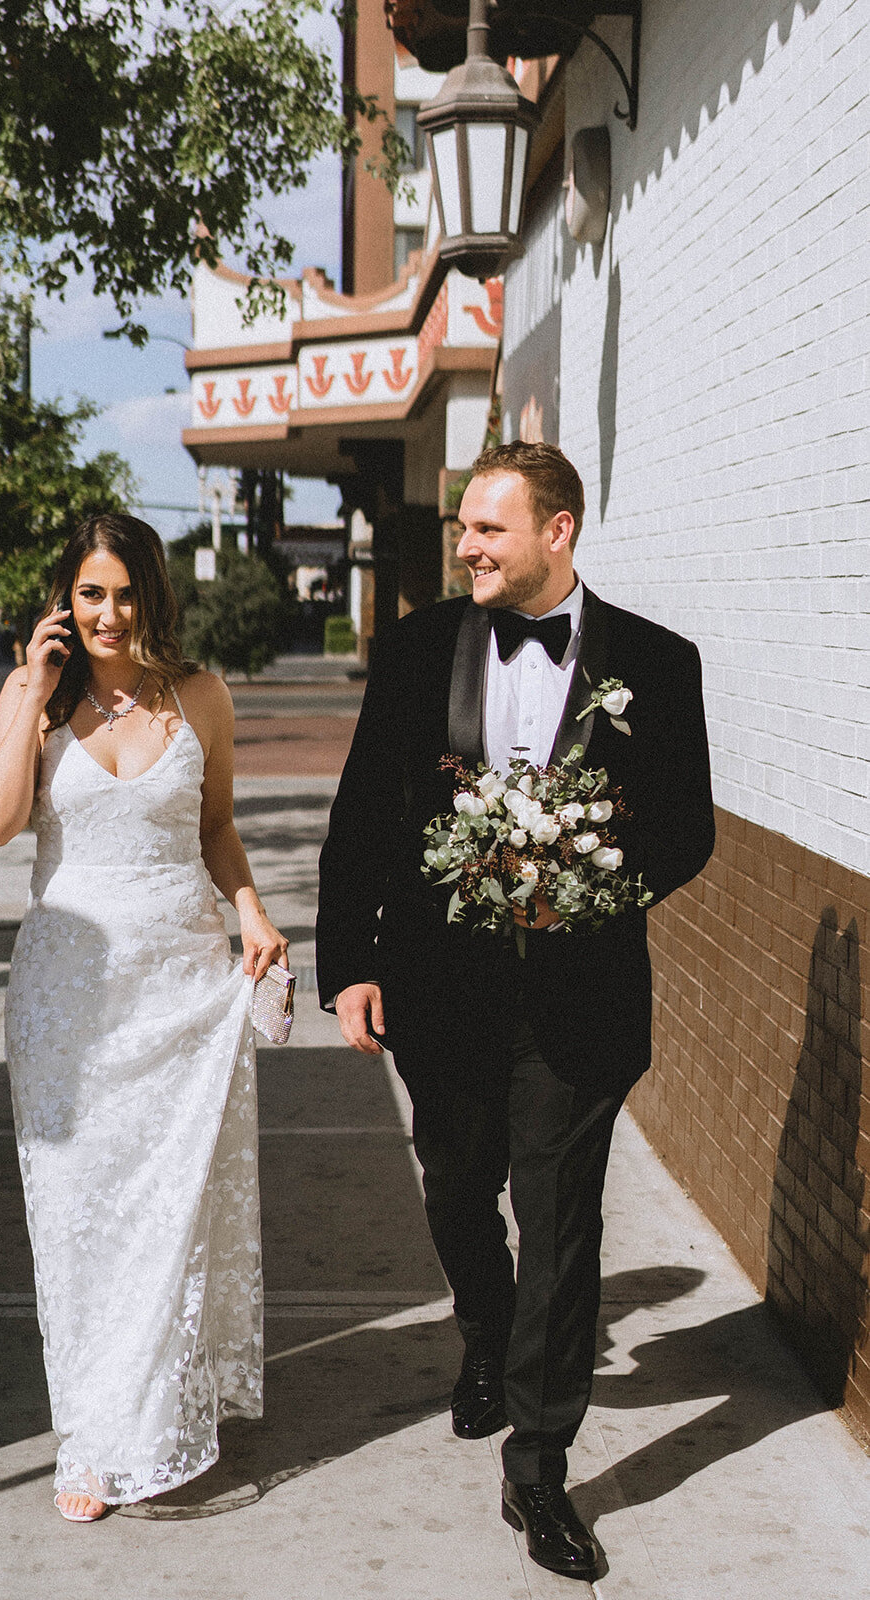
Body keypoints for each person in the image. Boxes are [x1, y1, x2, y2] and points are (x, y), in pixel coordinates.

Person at [316, 442, 714, 1580]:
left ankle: (537, 1466)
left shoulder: (655, 659)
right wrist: (349, 961)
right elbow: (359, 818)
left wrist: (593, 877)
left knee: (561, 1217)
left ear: (559, 530)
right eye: (462, 529)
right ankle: (484, 1332)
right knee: (453, 1184)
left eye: (489, 528)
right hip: (439, 986)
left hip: (580, 999)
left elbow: (685, 824)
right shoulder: (410, 651)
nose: (467, 546)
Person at [0, 512, 287, 1523]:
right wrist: (28, 691)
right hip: (69, 997)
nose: (107, 613)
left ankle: (149, 1412)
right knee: (80, 1219)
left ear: (152, 593)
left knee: (168, 1216)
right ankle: (92, 1439)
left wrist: (251, 911)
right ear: (65, 599)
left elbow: (217, 825)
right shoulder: (38, 698)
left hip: (182, 990)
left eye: (124, 591)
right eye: (88, 593)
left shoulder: (199, 696)